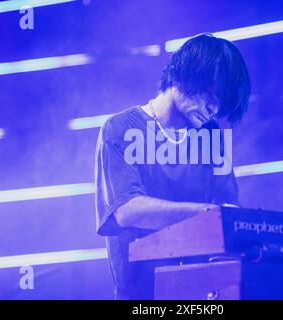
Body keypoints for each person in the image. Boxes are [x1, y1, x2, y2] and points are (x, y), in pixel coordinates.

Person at [95, 34, 251, 299]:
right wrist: (205, 212)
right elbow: (126, 211)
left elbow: (228, 213)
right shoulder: (120, 128)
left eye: (220, 104)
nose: (213, 109)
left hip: (204, 296)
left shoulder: (212, 137)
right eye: (211, 95)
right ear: (184, 75)